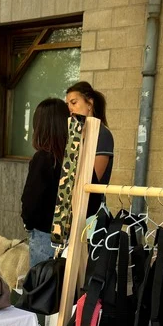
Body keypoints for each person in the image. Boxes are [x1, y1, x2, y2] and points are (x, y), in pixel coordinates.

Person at [21, 98, 70, 267]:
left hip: (44, 235)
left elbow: (31, 200)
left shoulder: (44, 158)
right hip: (73, 236)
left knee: (43, 280)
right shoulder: (76, 157)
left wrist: (28, 223)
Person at [65, 81, 114, 217]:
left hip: (91, 209)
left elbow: (93, 177)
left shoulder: (102, 134)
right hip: (71, 207)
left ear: (89, 104)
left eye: (74, 102)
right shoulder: (74, 134)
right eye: (67, 104)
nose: (70, 108)